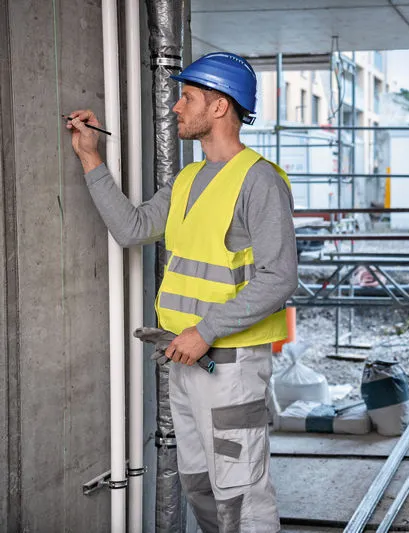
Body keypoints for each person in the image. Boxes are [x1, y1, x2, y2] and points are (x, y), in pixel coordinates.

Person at [66, 52, 297, 533]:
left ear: (218, 107)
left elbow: (279, 278)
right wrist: (91, 156)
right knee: (202, 489)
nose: (175, 108)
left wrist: (206, 331)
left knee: (242, 497)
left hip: (229, 365)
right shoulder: (188, 179)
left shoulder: (259, 180)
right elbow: (131, 229)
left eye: (187, 98)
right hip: (186, 359)